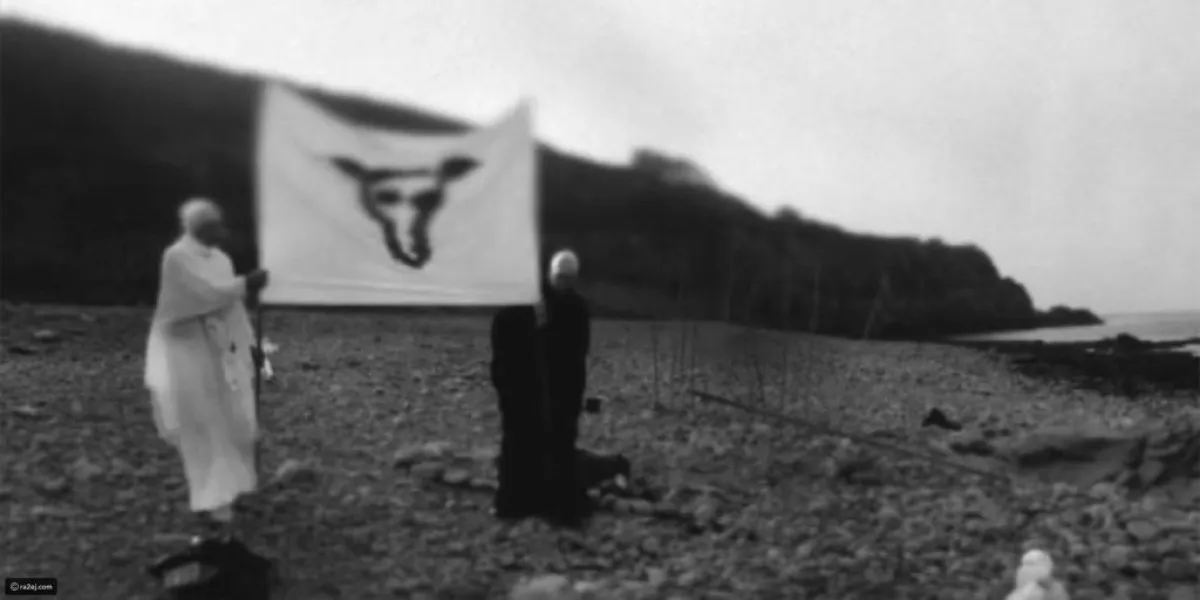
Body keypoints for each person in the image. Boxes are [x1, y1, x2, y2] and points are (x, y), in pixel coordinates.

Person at [144, 198, 270, 536]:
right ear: (198, 227)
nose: (221, 230)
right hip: (186, 353)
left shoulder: (221, 259)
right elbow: (201, 296)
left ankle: (236, 488)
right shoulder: (176, 257)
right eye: (213, 224)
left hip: (219, 352)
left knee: (233, 421)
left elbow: (231, 307)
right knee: (203, 426)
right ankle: (212, 502)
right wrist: (245, 284)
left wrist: (251, 346)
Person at [488, 249, 592, 528]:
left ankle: (540, 503)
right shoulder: (526, 311)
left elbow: (572, 352)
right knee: (528, 443)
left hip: (552, 388)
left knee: (546, 443)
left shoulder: (553, 308)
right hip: (529, 388)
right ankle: (533, 503)